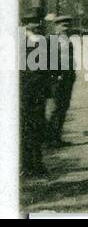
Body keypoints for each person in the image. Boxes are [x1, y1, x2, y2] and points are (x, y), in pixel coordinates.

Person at [19, 9, 49, 177]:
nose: (37, 25)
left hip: (37, 91)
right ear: (26, 24)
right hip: (26, 92)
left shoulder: (39, 41)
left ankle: (35, 163)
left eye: (39, 22)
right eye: (33, 22)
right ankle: (29, 166)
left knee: (36, 128)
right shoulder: (21, 41)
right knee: (28, 129)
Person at [45, 14, 76, 147]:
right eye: (63, 26)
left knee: (63, 107)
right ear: (56, 27)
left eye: (68, 26)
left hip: (67, 79)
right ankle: (50, 139)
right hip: (56, 80)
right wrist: (54, 76)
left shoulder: (67, 41)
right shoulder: (50, 40)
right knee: (55, 108)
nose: (66, 29)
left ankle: (57, 137)